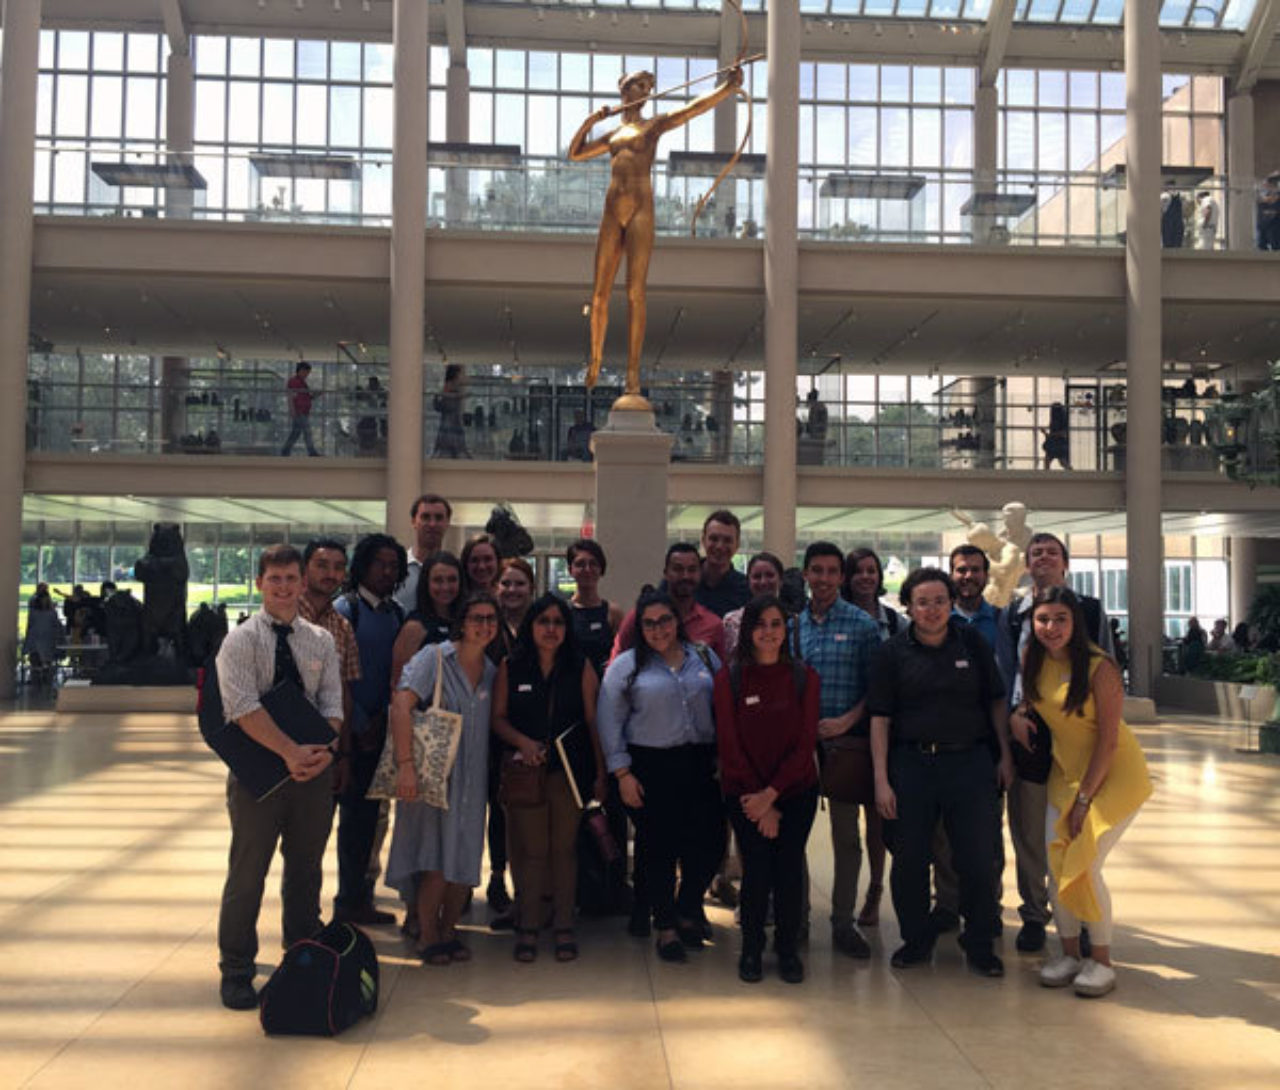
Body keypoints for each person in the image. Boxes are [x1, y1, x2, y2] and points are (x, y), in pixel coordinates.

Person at [214, 544, 342, 1009]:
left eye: (291, 579)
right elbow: (241, 707)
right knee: (248, 873)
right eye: (275, 579)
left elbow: (331, 704)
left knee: (306, 868)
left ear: (302, 584)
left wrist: (323, 752)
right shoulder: (240, 642)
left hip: (312, 775)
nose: (284, 587)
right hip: (258, 778)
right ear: (260, 584)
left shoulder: (320, 641)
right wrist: (288, 752)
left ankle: (302, 950)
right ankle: (236, 969)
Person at [869, 568, 1013, 978]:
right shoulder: (892, 653)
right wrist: (881, 778)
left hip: (970, 764)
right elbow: (880, 718)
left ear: (951, 604)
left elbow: (996, 701)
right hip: (911, 766)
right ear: (908, 607)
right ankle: (916, 940)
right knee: (910, 858)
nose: (932, 610)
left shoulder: (973, 644)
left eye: (939, 601)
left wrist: (1004, 754)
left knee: (978, 858)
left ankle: (980, 941)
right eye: (922, 602)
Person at [568, 65, 744, 397]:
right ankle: (595, 359)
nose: (647, 92)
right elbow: (574, 152)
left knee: (636, 292)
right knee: (600, 294)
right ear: (625, 89)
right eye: (641, 85)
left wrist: (726, 89)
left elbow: (692, 109)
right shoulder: (612, 137)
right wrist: (591, 121)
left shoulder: (653, 125)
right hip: (612, 210)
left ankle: (633, 374)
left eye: (649, 87)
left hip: (640, 209)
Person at [1013, 586, 1151, 997]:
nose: (1051, 628)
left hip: (1112, 775)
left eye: (1060, 619)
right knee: (1056, 867)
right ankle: (1069, 953)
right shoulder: (1031, 660)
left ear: (1075, 623)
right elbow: (1033, 704)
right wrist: (1019, 715)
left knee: (1085, 864)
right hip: (1065, 774)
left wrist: (1085, 800)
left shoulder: (1099, 667)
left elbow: (1109, 741)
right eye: (1043, 619)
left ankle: (1102, 961)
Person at [994, 531, 1114, 955]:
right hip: (1030, 729)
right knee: (1028, 829)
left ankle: (1079, 916)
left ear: (1065, 563)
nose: (1043, 557)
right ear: (1027, 565)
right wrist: (1014, 716)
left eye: (1051, 552)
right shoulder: (1013, 614)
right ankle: (1033, 912)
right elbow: (1007, 671)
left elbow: (1106, 666)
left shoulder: (1090, 610)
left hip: (1078, 732)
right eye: (1036, 553)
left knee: (1074, 830)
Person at [597, 589, 723, 961]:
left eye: (664, 620)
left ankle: (687, 908)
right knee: (658, 850)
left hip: (700, 764)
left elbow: (724, 705)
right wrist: (622, 773)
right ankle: (666, 926)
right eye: (649, 623)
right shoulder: (627, 666)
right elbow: (609, 721)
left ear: (677, 621)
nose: (658, 629)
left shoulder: (703, 656)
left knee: (709, 844)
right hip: (649, 766)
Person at [385, 592, 500, 964]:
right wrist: (405, 765)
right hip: (431, 777)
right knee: (433, 859)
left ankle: (450, 930)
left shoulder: (493, 672)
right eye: (476, 618)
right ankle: (427, 934)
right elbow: (402, 704)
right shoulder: (433, 658)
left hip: (473, 781)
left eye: (490, 619)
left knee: (465, 859)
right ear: (462, 623)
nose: (484, 626)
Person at [491, 594, 606, 963]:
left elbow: (593, 722)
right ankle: (528, 924)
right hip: (526, 774)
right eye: (544, 622)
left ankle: (562, 925)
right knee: (532, 851)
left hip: (569, 775)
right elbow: (498, 718)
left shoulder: (580, 666)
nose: (551, 629)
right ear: (531, 626)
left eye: (558, 622)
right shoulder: (512, 665)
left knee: (563, 850)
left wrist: (602, 774)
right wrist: (522, 742)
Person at [714, 595, 820, 984]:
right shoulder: (730, 678)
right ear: (748, 631)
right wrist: (759, 800)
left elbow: (805, 744)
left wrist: (772, 796)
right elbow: (729, 745)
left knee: (790, 870)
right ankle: (753, 948)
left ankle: (787, 949)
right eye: (761, 625)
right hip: (743, 791)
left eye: (777, 624)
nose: (769, 632)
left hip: (795, 792)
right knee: (756, 871)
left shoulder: (804, 678)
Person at [795, 541, 880, 958]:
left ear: (840, 577)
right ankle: (798, 918)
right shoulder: (794, 627)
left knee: (847, 840)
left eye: (832, 571)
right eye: (817, 570)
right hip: (801, 750)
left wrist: (847, 720)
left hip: (846, 749)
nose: (824, 579)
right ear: (806, 574)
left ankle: (843, 922)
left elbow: (877, 690)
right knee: (795, 836)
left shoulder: (864, 625)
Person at [331, 534, 408, 928]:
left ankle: (357, 897)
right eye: (380, 563)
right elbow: (337, 677)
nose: (387, 570)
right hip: (351, 735)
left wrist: (384, 721)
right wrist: (360, 722)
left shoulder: (394, 614)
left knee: (366, 822)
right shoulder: (347, 610)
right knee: (349, 823)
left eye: (393, 565)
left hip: (382, 733)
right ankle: (345, 898)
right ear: (363, 565)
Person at [933, 542, 1006, 936]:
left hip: (985, 743)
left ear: (986, 574)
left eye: (975, 569)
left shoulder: (1001, 622)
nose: (968, 576)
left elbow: (1003, 686)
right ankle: (946, 903)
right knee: (942, 835)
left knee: (987, 833)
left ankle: (988, 904)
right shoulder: (936, 623)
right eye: (961, 570)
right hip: (943, 745)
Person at [839, 546, 902, 928]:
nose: (865, 577)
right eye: (858, 571)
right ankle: (846, 901)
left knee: (877, 819)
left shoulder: (896, 623)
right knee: (846, 825)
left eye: (871, 570)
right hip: (844, 737)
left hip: (883, 729)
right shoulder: (836, 619)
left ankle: (876, 888)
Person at [296, 538, 361, 786]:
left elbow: (344, 693)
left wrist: (342, 754)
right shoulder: (283, 615)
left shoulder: (342, 627)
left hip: (323, 747)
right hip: (275, 743)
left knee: (315, 823)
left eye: (338, 567)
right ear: (305, 568)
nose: (330, 574)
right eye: (322, 565)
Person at [610, 544, 727, 663]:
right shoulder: (640, 618)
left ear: (700, 574)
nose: (685, 576)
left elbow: (720, 677)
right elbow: (615, 666)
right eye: (678, 569)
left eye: (692, 570)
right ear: (666, 573)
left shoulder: (713, 625)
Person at [391, 551, 462, 687]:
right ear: (426, 583)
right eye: (438, 580)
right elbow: (397, 683)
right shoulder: (414, 627)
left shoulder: (466, 622)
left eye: (452, 579)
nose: (445, 587)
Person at [566, 538, 625, 680]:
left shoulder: (613, 613)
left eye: (593, 564)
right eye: (580, 564)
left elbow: (623, 655)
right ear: (570, 570)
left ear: (601, 569)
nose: (587, 569)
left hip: (605, 688)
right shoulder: (563, 611)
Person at [395, 493, 453, 612]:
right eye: (425, 517)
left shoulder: (455, 572)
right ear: (413, 521)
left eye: (439, 518)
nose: (432, 524)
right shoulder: (396, 569)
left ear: (447, 523)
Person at [723, 552, 786, 652]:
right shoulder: (732, 622)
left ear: (781, 580)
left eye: (769, 575)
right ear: (748, 581)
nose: (763, 582)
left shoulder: (791, 622)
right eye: (757, 576)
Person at [696, 509, 751, 618]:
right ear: (703, 541)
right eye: (714, 539)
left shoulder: (747, 590)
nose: (720, 546)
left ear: (737, 545)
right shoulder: (682, 581)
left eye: (727, 540)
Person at [497, 557, 536, 657]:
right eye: (506, 584)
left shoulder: (542, 624)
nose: (512, 590)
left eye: (520, 584)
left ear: (531, 588)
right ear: (496, 587)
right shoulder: (488, 624)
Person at [281, 361, 321, 457]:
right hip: (299, 411)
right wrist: (292, 410)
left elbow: (306, 397)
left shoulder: (302, 383)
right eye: (306, 372)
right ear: (301, 370)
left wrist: (315, 395)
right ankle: (311, 451)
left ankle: (285, 450)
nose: (307, 374)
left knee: (296, 433)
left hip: (303, 411)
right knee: (306, 431)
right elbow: (291, 396)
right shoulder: (294, 381)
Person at [23, 594, 64, 687]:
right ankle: (37, 679)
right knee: (36, 661)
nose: (44, 602)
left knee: (46, 661)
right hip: (35, 639)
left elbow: (56, 626)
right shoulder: (33, 613)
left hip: (48, 640)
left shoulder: (52, 613)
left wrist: (57, 638)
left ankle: (45, 678)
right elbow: (29, 626)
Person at [432, 364, 469, 459]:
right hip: (450, 423)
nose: (462, 376)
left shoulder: (453, 388)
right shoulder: (450, 387)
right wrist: (458, 396)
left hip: (451, 423)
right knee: (451, 449)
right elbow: (447, 404)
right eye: (460, 374)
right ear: (456, 375)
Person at [461, 534, 501, 598]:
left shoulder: (506, 599)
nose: (481, 567)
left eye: (488, 559)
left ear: (498, 561)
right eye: (474, 560)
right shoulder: (456, 601)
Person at [1041, 402, 1071, 470]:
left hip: (1057, 443)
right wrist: (1046, 433)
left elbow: (1062, 433)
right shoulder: (1061, 421)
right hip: (1057, 443)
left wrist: (1048, 434)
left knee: (1051, 461)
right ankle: (1072, 473)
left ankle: (1047, 477)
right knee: (1061, 461)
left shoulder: (1058, 422)